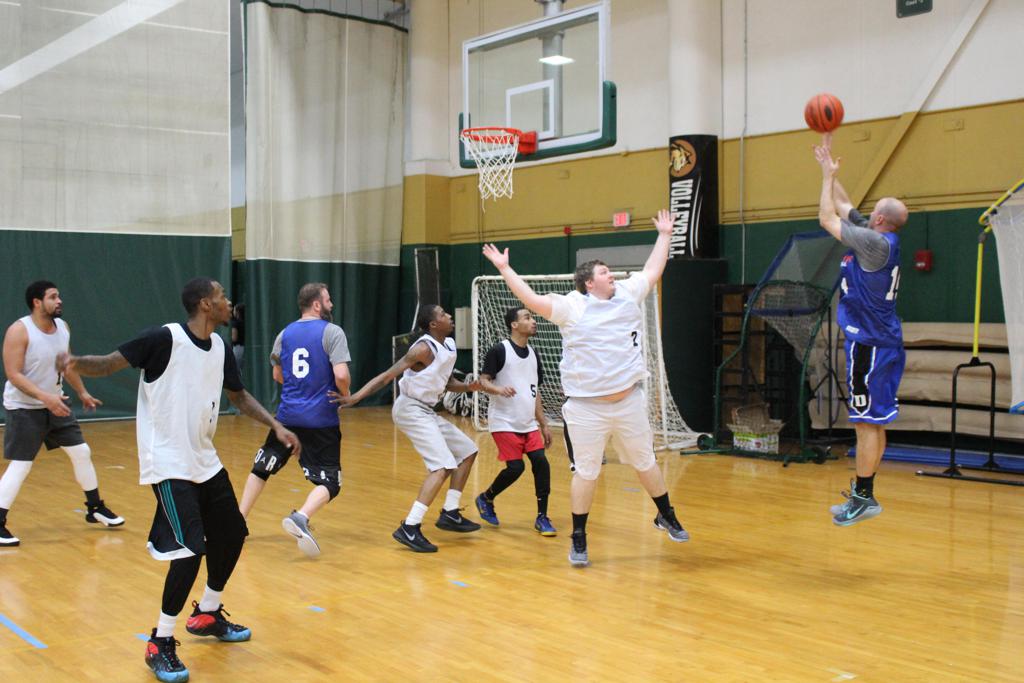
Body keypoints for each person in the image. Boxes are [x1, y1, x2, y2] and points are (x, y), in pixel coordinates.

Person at [58, 277, 301, 683]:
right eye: (222, 297)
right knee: (190, 548)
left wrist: (275, 425)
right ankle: (160, 641)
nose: (228, 303)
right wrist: (76, 362)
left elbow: (238, 396)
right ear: (205, 304)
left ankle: (207, 612)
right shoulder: (162, 339)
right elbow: (109, 363)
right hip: (168, 462)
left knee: (232, 533)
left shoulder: (220, 347)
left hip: (204, 459)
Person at [481, 209, 689, 568]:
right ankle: (579, 536)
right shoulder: (571, 307)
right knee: (587, 473)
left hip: (629, 401)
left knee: (646, 462)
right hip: (586, 408)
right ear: (589, 283)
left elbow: (654, 270)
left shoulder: (628, 293)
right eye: (605, 272)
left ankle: (666, 514)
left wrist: (665, 235)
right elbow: (531, 300)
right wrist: (504, 268)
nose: (613, 275)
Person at [334, 304, 482, 553]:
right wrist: (355, 397)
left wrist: (468, 387)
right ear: (433, 324)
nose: (449, 316)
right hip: (410, 408)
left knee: (468, 450)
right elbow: (386, 376)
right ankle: (410, 526)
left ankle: (450, 512)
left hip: (427, 410)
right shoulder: (422, 349)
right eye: (443, 314)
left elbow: (447, 383)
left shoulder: (449, 345)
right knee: (442, 466)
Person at [815, 133, 907, 526]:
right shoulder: (878, 237)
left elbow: (827, 218)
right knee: (873, 420)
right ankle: (864, 493)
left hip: (869, 344)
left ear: (880, 220)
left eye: (874, 212)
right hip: (882, 340)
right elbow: (845, 206)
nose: (867, 215)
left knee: (865, 423)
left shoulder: (873, 243)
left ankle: (865, 497)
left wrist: (825, 179)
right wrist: (830, 170)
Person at [0, 281, 123, 547]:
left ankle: (95, 508)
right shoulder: (19, 331)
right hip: (24, 408)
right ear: (37, 302)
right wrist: (45, 397)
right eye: (53, 297)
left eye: (59, 296)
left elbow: (66, 366)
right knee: (21, 465)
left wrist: (83, 393)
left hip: (56, 404)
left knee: (81, 452)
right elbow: (13, 374)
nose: (59, 301)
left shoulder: (63, 328)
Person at [237, 283, 350, 558]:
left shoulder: (284, 333)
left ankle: (237, 522)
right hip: (321, 420)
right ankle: (301, 516)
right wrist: (346, 396)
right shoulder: (332, 332)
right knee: (331, 482)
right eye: (328, 300)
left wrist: (300, 388)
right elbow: (341, 375)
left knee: (262, 467)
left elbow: (278, 374)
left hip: (287, 417)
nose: (331, 304)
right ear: (316, 305)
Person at [473, 306, 556, 536]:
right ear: (514, 325)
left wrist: (544, 424)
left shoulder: (534, 354)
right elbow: (483, 380)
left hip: (528, 423)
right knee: (516, 467)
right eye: (527, 317)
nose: (533, 321)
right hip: (504, 422)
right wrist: (498, 389)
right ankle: (486, 497)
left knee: (541, 463)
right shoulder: (500, 350)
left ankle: (542, 517)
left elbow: (535, 392)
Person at [230, 303, 245, 374]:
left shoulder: (235, 323)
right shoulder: (246, 322)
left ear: (238, 312)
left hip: (238, 348)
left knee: (237, 370)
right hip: (246, 347)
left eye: (234, 310)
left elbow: (234, 338)